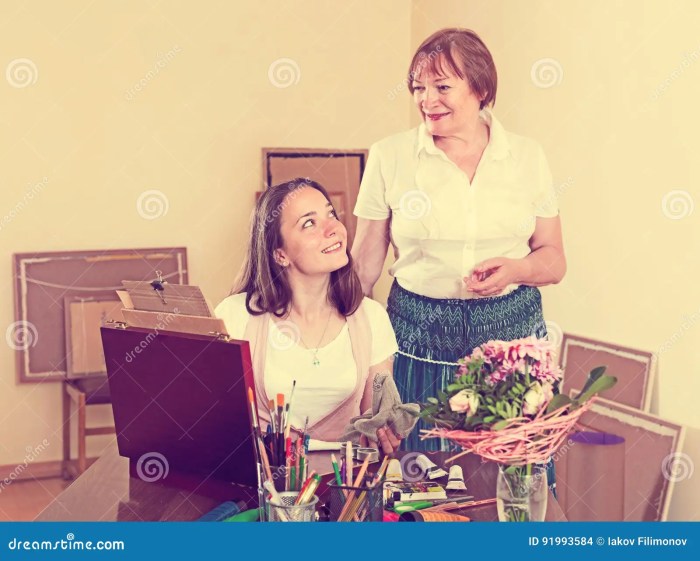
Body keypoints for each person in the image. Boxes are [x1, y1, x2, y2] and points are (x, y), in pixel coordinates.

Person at [351, 28, 567, 458]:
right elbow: (364, 268)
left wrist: (517, 268)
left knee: (511, 479)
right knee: (414, 478)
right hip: (414, 337)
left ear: (481, 88)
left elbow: (554, 260)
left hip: (510, 345)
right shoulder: (389, 156)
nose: (427, 100)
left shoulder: (527, 157)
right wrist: (357, 364)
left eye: (442, 86)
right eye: (418, 87)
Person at [215, 178, 403, 454]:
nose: (333, 229)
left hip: (344, 486)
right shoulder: (234, 316)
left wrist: (383, 430)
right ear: (280, 254)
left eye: (331, 214)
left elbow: (377, 418)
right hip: (261, 488)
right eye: (309, 223)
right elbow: (215, 422)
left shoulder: (371, 317)